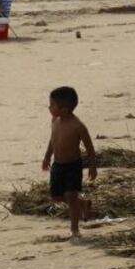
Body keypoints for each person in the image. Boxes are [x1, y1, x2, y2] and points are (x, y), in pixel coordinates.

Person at [42, 86, 96, 240]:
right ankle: (83, 204)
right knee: (57, 197)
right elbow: (52, 141)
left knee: (70, 197)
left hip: (73, 166)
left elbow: (90, 148)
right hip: (57, 165)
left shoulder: (78, 126)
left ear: (64, 109)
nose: (49, 107)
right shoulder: (55, 120)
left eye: (52, 105)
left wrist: (92, 167)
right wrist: (47, 157)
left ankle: (75, 229)